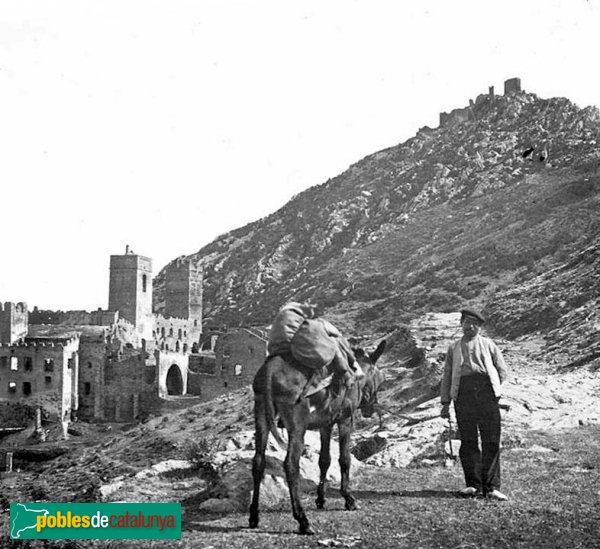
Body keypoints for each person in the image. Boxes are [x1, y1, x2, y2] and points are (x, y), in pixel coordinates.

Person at [440, 308, 509, 500]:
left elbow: (502, 370)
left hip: (486, 394)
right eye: (466, 323)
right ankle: (473, 485)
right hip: (464, 395)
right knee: (468, 440)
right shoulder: (453, 348)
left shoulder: (488, 344)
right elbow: (447, 375)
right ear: (461, 324)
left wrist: (492, 387)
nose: (470, 327)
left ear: (479, 327)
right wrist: (445, 402)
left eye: (475, 324)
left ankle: (492, 487)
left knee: (491, 440)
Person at [267, 301, 364, 389]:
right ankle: (347, 376)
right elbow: (336, 334)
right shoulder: (316, 323)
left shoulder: (284, 319)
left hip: (276, 348)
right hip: (292, 344)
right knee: (334, 346)